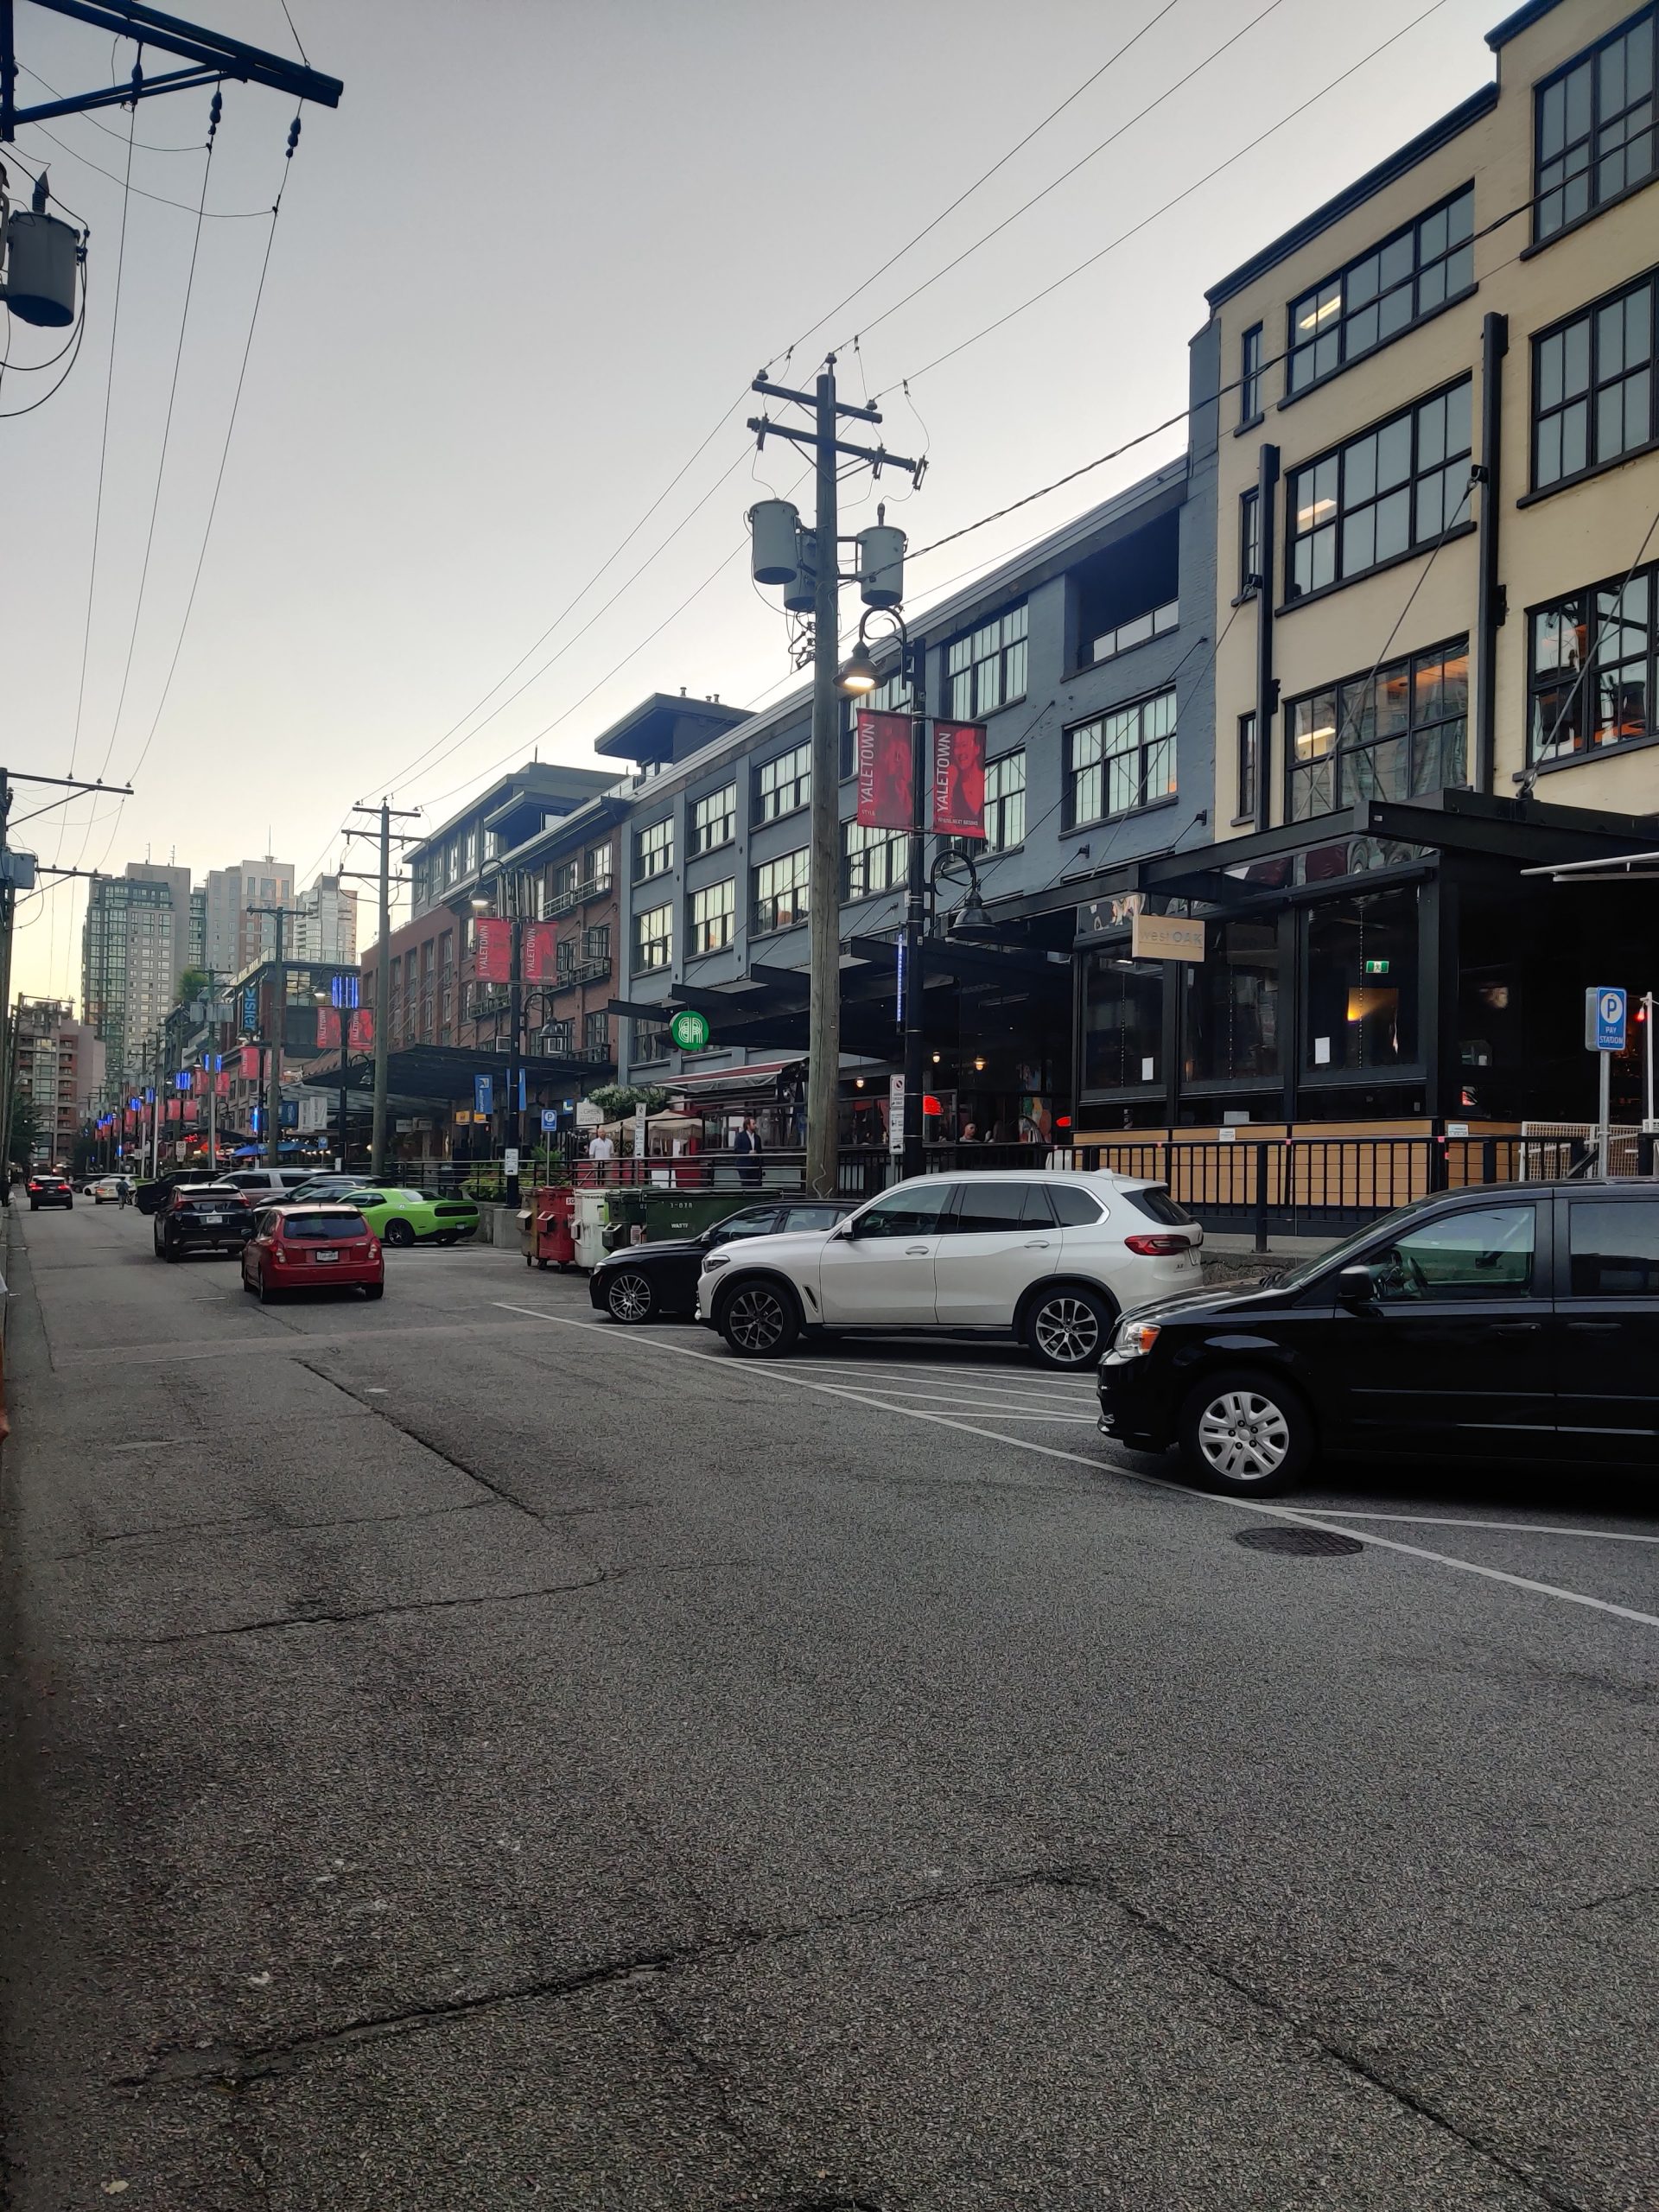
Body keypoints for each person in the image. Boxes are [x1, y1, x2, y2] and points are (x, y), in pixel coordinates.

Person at [734, 1116, 763, 1187]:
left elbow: (760, 1151)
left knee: (756, 1185)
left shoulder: (757, 1137)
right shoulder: (740, 1136)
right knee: (746, 1185)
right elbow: (736, 1150)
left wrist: (761, 1164)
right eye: (753, 1124)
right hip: (744, 1165)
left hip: (755, 1166)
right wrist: (748, 1152)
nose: (755, 1125)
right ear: (748, 1125)